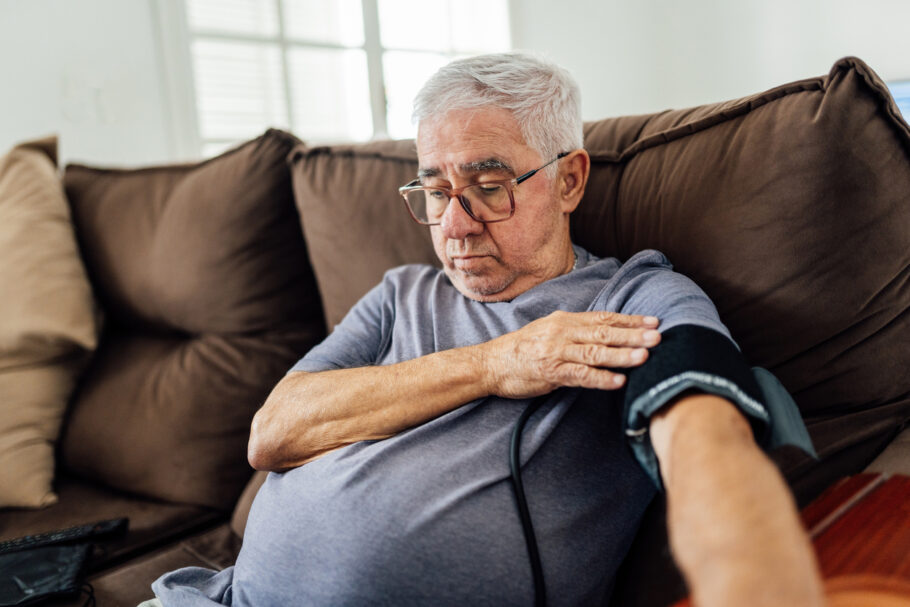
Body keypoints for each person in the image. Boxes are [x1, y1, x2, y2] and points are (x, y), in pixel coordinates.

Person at [150, 53, 824, 607]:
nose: (455, 224)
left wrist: (748, 573)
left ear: (569, 179)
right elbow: (273, 433)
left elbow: (703, 432)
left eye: (490, 184)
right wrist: (497, 363)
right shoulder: (400, 294)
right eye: (436, 190)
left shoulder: (636, 295)